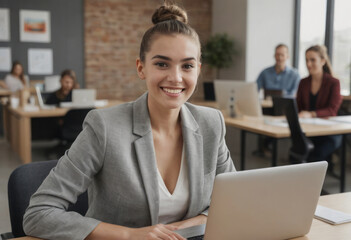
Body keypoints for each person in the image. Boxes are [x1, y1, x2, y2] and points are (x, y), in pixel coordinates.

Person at [23, 2, 235, 240]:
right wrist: (129, 234)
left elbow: (233, 200)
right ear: (141, 68)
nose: (176, 77)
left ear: (198, 70)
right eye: (162, 64)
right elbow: (38, 214)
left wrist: (200, 221)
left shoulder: (211, 123)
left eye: (187, 66)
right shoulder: (104, 127)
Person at [296, 45, 342, 161]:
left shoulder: (333, 83)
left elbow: (332, 110)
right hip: (309, 131)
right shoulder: (303, 82)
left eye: (312, 60)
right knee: (295, 155)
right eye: (306, 60)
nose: (308, 64)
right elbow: (298, 108)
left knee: (315, 156)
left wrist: (311, 114)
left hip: (328, 133)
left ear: (323, 61)